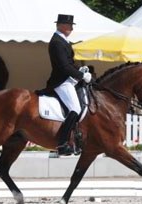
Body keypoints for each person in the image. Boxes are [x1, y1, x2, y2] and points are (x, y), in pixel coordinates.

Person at [46, 14, 92, 155]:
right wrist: (81, 75)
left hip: (68, 80)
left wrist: (80, 70)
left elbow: (70, 64)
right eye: (69, 25)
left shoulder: (64, 41)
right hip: (61, 82)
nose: (71, 28)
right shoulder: (56, 42)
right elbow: (64, 67)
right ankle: (62, 143)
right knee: (75, 109)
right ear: (61, 25)